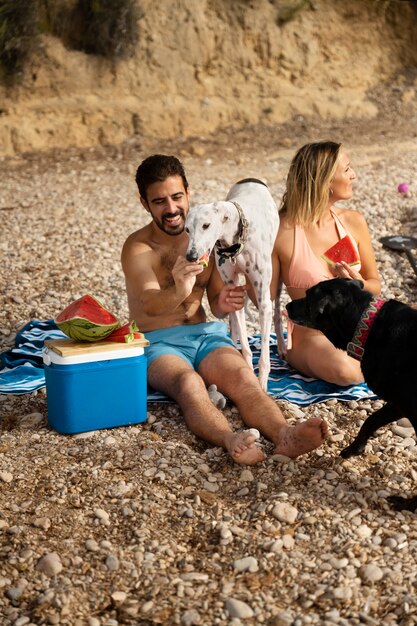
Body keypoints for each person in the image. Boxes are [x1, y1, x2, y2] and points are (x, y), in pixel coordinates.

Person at [121, 154, 328, 465]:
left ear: (188, 193)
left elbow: (217, 304)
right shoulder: (138, 247)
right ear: (144, 202)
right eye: (159, 201)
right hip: (158, 342)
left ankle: (285, 434)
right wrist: (179, 289)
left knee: (243, 378)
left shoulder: (210, 234)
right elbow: (149, 307)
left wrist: (224, 302)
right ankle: (230, 439)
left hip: (205, 334)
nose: (172, 209)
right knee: (188, 383)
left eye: (177, 197)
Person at [273, 141, 381, 386]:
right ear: (325, 181)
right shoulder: (281, 231)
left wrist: (360, 284)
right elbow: (264, 297)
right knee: (346, 370)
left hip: (359, 327)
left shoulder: (353, 222)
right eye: (347, 170)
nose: (354, 175)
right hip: (312, 334)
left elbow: (375, 284)